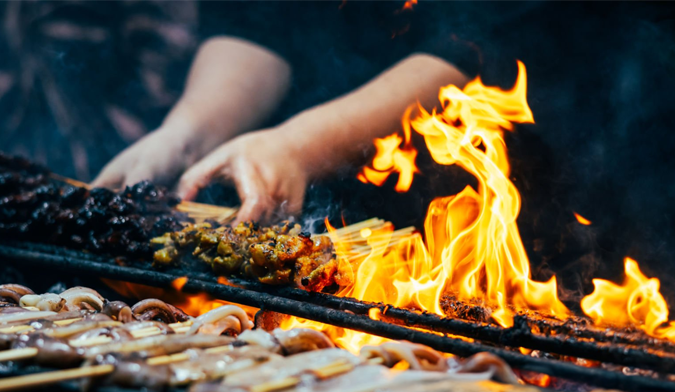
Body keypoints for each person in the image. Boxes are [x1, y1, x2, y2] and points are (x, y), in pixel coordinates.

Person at [92, 2, 471, 225]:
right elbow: (257, 23)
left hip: (453, 207)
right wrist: (185, 136)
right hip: (305, 215)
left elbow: (474, 45)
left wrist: (297, 146)